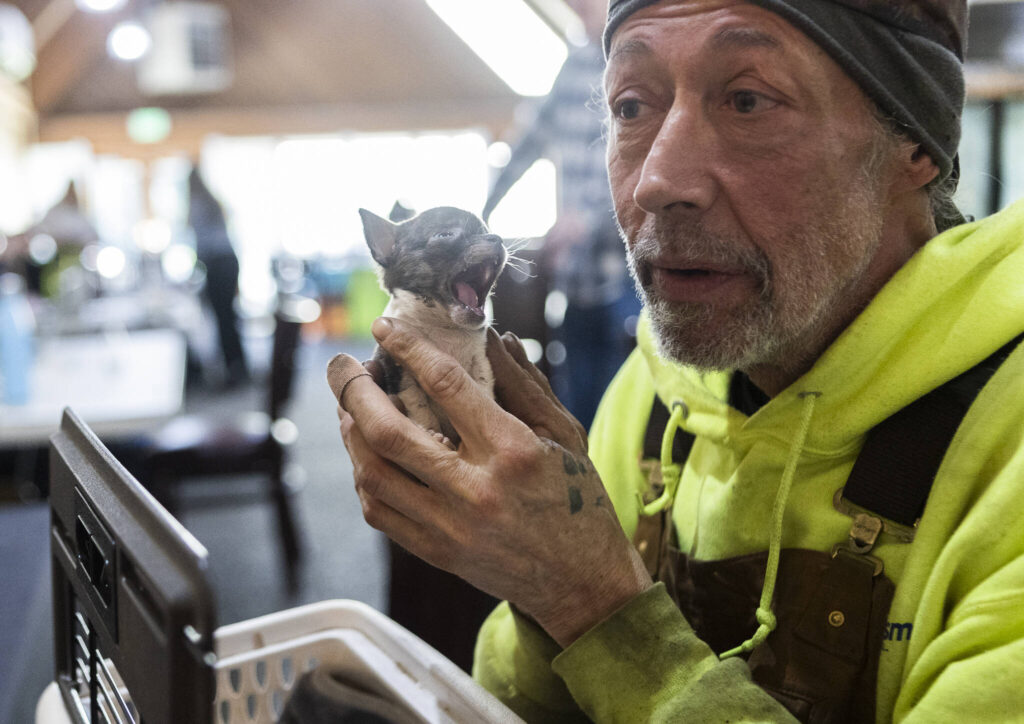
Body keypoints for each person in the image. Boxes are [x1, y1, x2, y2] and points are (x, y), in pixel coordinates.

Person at [327, 0, 1024, 721]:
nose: (655, 180)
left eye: (747, 100)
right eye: (631, 107)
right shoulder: (655, 392)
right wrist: (528, 573)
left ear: (914, 143)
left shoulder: (1005, 449)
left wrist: (594, 605)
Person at [482, 0, 641, 429]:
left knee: (626, 406)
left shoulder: (636, 62)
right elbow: (528, 143)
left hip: (627, 273)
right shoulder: (573, 68)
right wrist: (482, 213)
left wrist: (587, 221)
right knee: (576, 410)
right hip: (576, 277)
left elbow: (643, 168)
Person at [187, 165, 249, 388]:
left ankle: (234, 371)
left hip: (217, 265)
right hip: (229, 262)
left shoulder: (196, 204)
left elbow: (201, 242)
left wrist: (194, 270)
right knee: (229, 318)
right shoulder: (212, 201)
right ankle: (239, 366)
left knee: (223, 320)